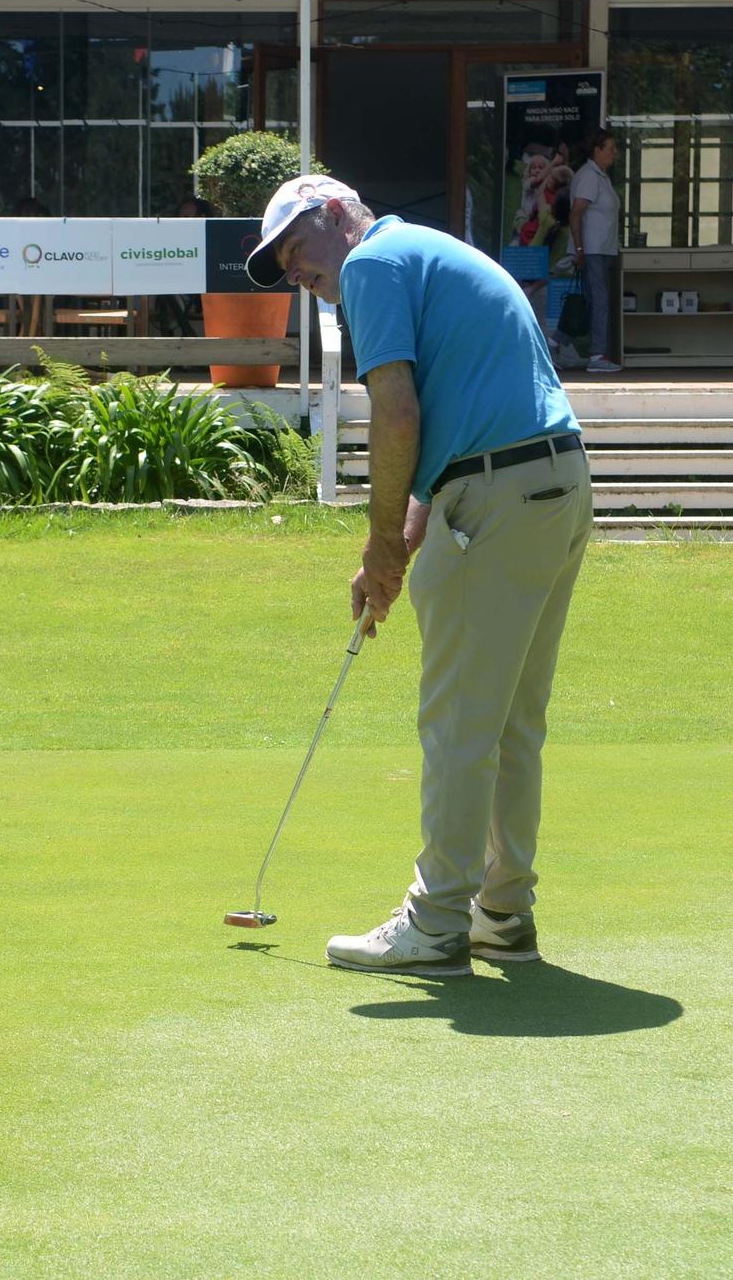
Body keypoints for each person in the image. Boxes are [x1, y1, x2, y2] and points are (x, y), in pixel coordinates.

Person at [245, 175, 590, 976]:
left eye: (296, 248)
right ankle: (500, 913)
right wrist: (398, 545)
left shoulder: (370, 264)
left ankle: (436, 923)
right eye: (282, 264)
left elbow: (397, 415)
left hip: (500, 495)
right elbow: (454, 418)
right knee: (507, 722)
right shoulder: (426, 251)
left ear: (337, 214)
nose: (295, 272)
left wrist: (376, 546)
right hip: (555, 486)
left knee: (459, 722)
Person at [569, 129, 623, 374]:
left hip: (600, 249)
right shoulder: (590, 177)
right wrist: (579, 248)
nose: (615, 153)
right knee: (600, 301)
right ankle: (597, 355)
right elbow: (576, 213)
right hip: (592, 250)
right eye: (610, 148)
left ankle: (555, 342)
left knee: (594, 300)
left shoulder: (601, 176)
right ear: (597, 151)